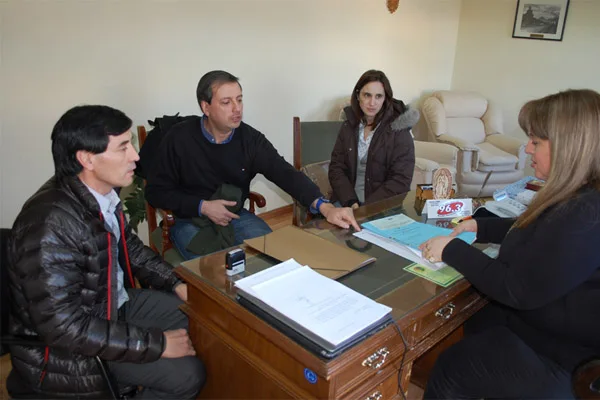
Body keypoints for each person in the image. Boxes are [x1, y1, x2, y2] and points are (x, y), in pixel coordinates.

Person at [7, 105, 205, 399]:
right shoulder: (49, 226)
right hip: (68, 353)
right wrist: (156, 344)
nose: (136, 156)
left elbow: (132, 249)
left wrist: (176, 283)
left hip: (111, 305)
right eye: (123, 147)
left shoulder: (100, 195)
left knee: (200, 320)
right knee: (187, 375)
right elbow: (64, 328)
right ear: (87, 158)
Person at [418, 89, 600, 399]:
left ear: (569, 149)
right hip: (549, 327)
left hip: (562, 357)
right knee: (475, 317)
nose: (527, 149)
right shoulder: (578, 196)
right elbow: (541, 233)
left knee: (452, 365)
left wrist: (450, 249)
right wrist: (481, 225)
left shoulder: (585, 214)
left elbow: (515, 288)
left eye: (536, 142)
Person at [145, 70, 359, 260]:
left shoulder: (250, 140)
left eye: (239, 100)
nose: (237, 109)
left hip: (235, 217)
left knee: (271, 257)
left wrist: (325, 206)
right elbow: (156, 192)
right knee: (214, 271)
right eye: (226, 102)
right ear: (206, 107)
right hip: (190, 219)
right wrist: (203, 206)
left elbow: (284, 173)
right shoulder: (179, 138)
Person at [328, 70, 417, 209]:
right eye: (367, 95)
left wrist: (366, 209)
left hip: (382, 208)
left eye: (378, 96)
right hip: (347, 203)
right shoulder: (348, 125)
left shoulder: (399, 130)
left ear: (385, 99)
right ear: (358, 95)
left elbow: (400, 180)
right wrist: (351, 202)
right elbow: (336, 168)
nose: (372, 103)